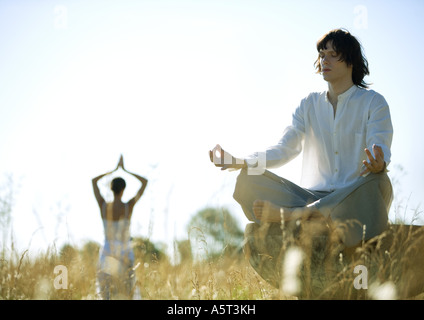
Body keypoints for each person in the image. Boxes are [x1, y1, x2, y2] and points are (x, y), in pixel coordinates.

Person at [210, 28, 393, 250]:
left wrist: (377, 163)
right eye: (322, 54)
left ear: (351, 61)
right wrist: (240, 161)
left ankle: (296, 216)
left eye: (333, 54)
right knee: (249, 177)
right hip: (310, 197)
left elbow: (380, 147)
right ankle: (309, 214)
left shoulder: (373, 102)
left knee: (377, 181)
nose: (324, 60)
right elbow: (285, 149)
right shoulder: (309, 105)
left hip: (353, 199)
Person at [92, 155, 148, 299]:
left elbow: (94, 181)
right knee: (127, 291)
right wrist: (125, 170)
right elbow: (144, 182)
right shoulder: (128, 207)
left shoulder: (104, 206)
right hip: (124, 251)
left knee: (106, 294)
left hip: (107, 250)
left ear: (111, 189)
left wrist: (113, 170)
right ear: (123, 189)